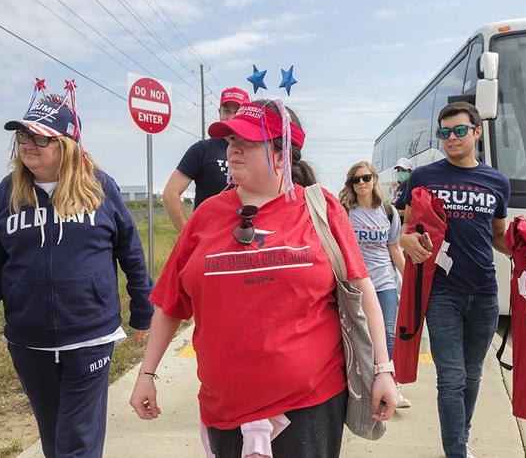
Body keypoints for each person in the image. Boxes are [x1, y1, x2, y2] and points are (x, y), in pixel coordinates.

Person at [130, 99, 397, 457]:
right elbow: (170, 305)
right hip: (223, 411)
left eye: (249, 141)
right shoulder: (206, 216)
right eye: (230, 139)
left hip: (310, 406)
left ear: (283, 152)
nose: (233, 148)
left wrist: (383, 369)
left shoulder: (320, 209)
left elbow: (363, 290)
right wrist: (146, 373)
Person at [0, 83, 154, 458]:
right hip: (28, 341)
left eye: (41, 137)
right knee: (53, 438)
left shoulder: (100, 188)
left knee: (77, 441)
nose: (29, 143)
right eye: (23, 135)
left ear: (66, 144)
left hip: (89, 336)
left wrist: (143, 310)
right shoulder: (7, 193)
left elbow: (130, 251)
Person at [399, 101, 511, 458]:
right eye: (444, 133)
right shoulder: (423, 177)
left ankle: (460, 437)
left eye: (459, 131)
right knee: (451, 377)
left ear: (477, 132)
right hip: (442, 292)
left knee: (473, 375)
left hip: (484, 291)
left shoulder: (497, 182)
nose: (451, 138)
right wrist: (407, 241)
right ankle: (457, 453)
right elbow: (403, 229)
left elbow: (499, 237)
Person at [339, 161, 412, 409]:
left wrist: (409, 280)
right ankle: (364, 381)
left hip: (384, 282)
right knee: (361, 335)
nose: (361, 183)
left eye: (365, 178)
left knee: (389, 333)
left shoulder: (388, 211)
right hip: (357, 283)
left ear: (374, 180)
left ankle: (392, 383)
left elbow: (394, 248)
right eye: (355, 180)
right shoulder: (345, 212)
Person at [163, 87, 250, 231]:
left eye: (237, 112)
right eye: (226, 111)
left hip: (245, 241)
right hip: (208, 241)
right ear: (219, 112)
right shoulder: (202, 149)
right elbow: (170, 193)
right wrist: (187, 236)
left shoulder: (255, 152)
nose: (231, 117)